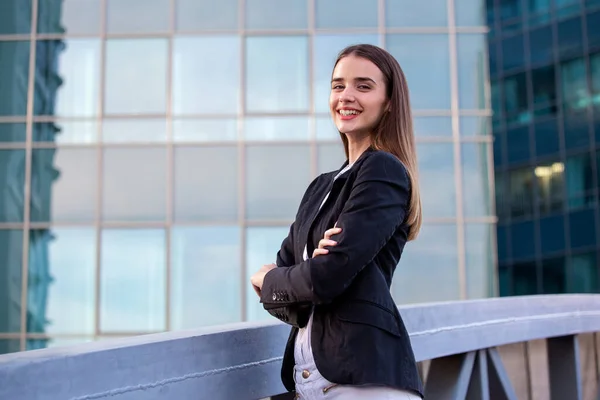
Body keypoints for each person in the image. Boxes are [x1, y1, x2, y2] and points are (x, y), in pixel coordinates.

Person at [250, 44, 424, 400]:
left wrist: (272, 277)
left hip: (363, 385)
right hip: (311, 386)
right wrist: (295, 277)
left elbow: (323, 278)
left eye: (363, 86)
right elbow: (292, 290)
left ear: (389, 102)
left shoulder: (383, 170)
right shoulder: (320, 187)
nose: (346, 96)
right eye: (338, 85)